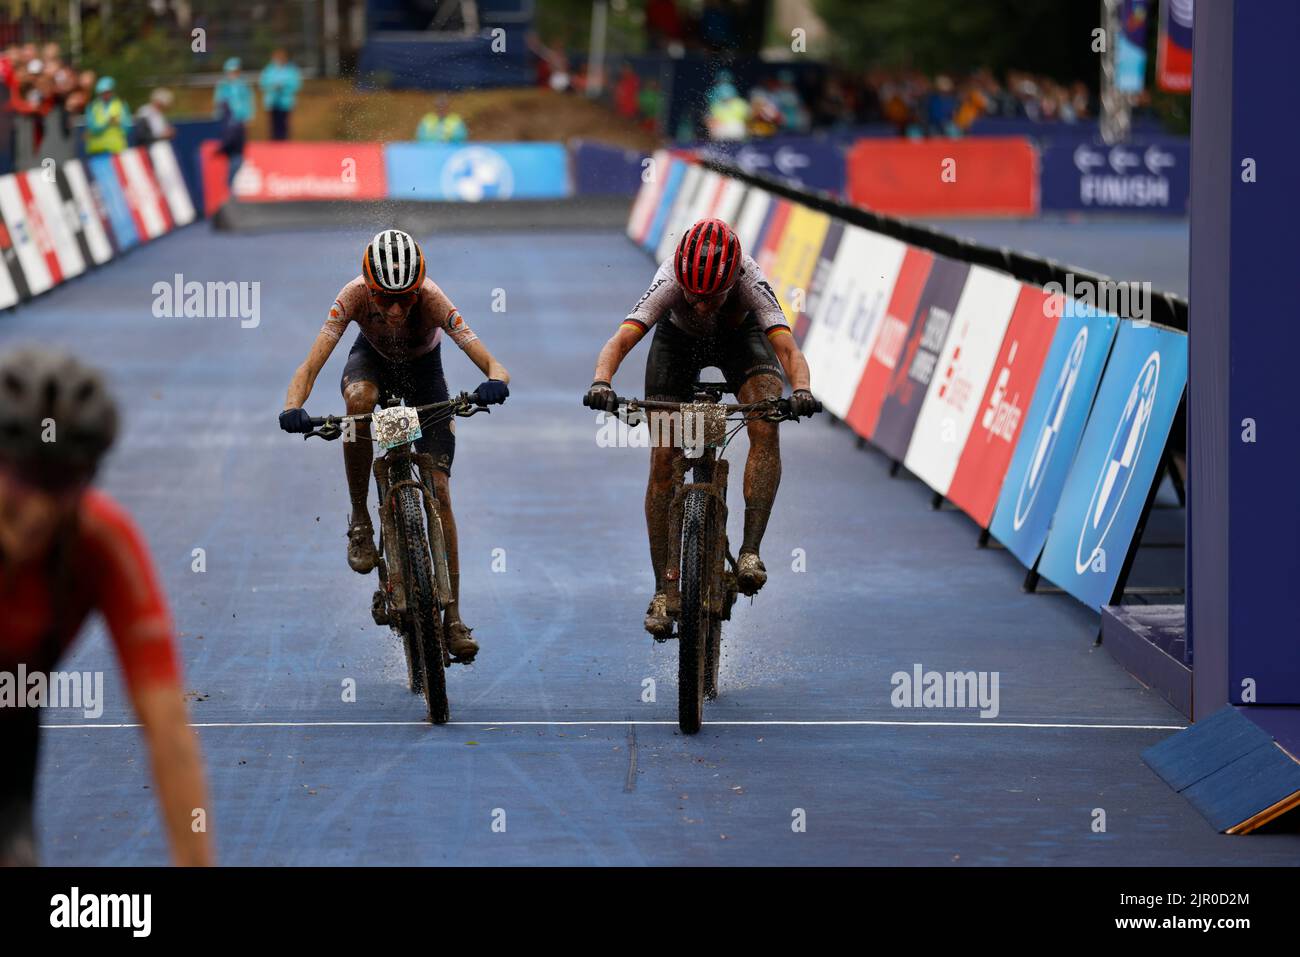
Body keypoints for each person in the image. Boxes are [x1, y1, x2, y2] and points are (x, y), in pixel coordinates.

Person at [0, 347, 213, 867]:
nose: (38, 512)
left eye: (62, 487)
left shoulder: (101, 541)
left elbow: (168, 731)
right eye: (26, 482)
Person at [278, 230, 511, 662]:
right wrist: (294, 405)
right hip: (372, 364)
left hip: (426, 373)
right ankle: (362, 518)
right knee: (358, 404)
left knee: (440, 492)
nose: (398, 309)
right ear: (369, 289)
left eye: (407, 297)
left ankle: (454, 618)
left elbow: (490, 360)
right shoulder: (351, 296)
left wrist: (495, 381)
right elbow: (310, 366)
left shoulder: (433, 298)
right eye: (386, 299)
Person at [583, 219, 818, 636]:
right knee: (663, 460)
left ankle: (749, 552)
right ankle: (661, 590)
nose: (702, 306)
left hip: (740, 340)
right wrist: (602, 381)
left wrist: (801, 389)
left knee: (764, 425)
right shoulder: (671, 278)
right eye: (694, 296)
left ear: (732, 282)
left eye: (713, 298)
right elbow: (619, 342)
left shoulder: (748, 279)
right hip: (676, 344)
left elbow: (787, 349)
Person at [214, 57, 254, 187]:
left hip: (238, 125)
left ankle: (229, 184)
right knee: (228, 152)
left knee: (237, 155)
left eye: (235, 71)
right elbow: (218, 105)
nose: (232, 74)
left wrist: (248, 118)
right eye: (230, 71)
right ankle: (226, 185)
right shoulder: (223, 86)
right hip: (227, 126)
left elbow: (248, 103)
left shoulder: (242, 86)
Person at [258, 47, 301, 142]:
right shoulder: (269, 70)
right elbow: (263, 84)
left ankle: (284, 145)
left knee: (284, 125)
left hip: (285, 102)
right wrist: (273, 87)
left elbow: (296, 84)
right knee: (273, 126)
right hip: (272, 102)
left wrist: (284, 87)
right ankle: (273, 147)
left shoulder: (290, 70)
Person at [83, 75, 131, 156]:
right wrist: (107, 123)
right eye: (102, 92)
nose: (105, 95)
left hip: (117, 149)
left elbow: (127, 128)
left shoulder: (121, 104)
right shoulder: (92, 107)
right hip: (97, 150)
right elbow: (92, 128)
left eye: (108, 92)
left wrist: (120, 123)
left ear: (113, 91)